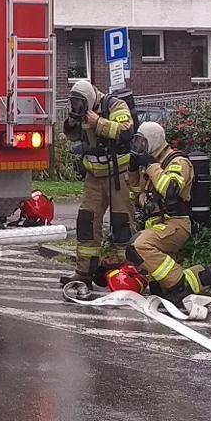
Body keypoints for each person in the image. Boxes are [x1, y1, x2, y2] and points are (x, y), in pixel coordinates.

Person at [124, 120, 211, 305]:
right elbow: (137, 189)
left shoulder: (178, 162)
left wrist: (150, 165)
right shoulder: (153, 162)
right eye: (137, 142)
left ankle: (179, 288)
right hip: (158, 225)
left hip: (176, 224)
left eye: (142, 142)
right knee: (159, 289)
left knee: (137, 246)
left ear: (153, 141)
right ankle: (210, 275)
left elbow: (170, 189)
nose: (139, 147)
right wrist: (133, 169)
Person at [60, 79, 136, 286]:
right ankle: (84, 273)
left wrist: (98, 123)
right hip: (94, 177)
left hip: (118, 175)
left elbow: (126, 131)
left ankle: (128, 274)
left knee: (122, 223)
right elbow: (75, 137)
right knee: (86, 221)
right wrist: (72, 123)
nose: (78, 107)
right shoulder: (82, 110)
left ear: (91, 98)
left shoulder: (115, 105)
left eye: (80, 103)